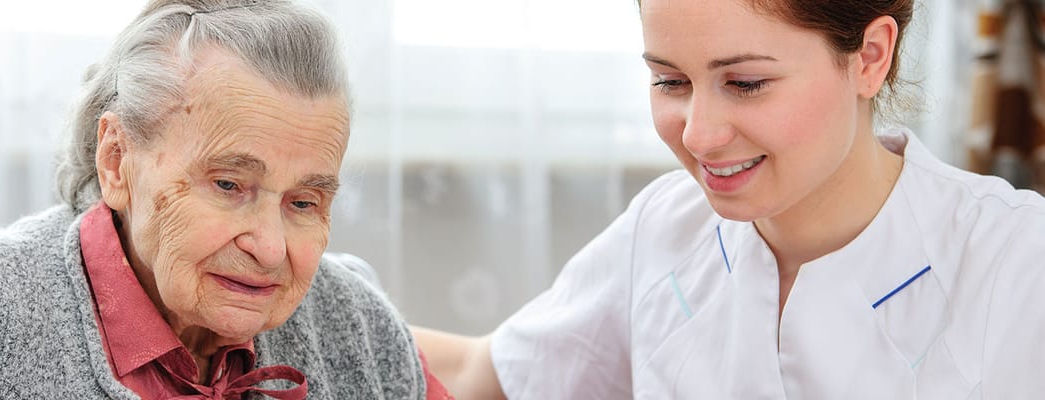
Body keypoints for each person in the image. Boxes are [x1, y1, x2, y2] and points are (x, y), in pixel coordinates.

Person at [414, 0, 1045, 398]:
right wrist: (319, 287)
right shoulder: (668, 224)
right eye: (670, 81)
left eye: (745, 83)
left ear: (870, 57)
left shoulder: (1017, 261)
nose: (697, 133)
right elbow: (490, 376)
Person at [0, 1, 452, 399]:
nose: (269, 249)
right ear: (116, 160)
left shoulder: (360, 333)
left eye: (303, 203)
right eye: (229, 186)